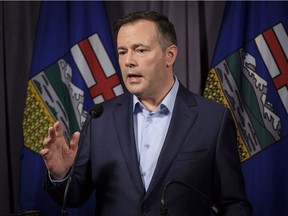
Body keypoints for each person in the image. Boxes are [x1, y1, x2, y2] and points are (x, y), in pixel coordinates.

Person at [41, 10, 252, 216]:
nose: (128, 61)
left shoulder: (213, 119)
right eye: (122, 52)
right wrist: (61, 175)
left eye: (140, 50)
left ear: (169, 55)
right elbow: (75, 196)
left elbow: (233, 203)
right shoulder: (100, 117)